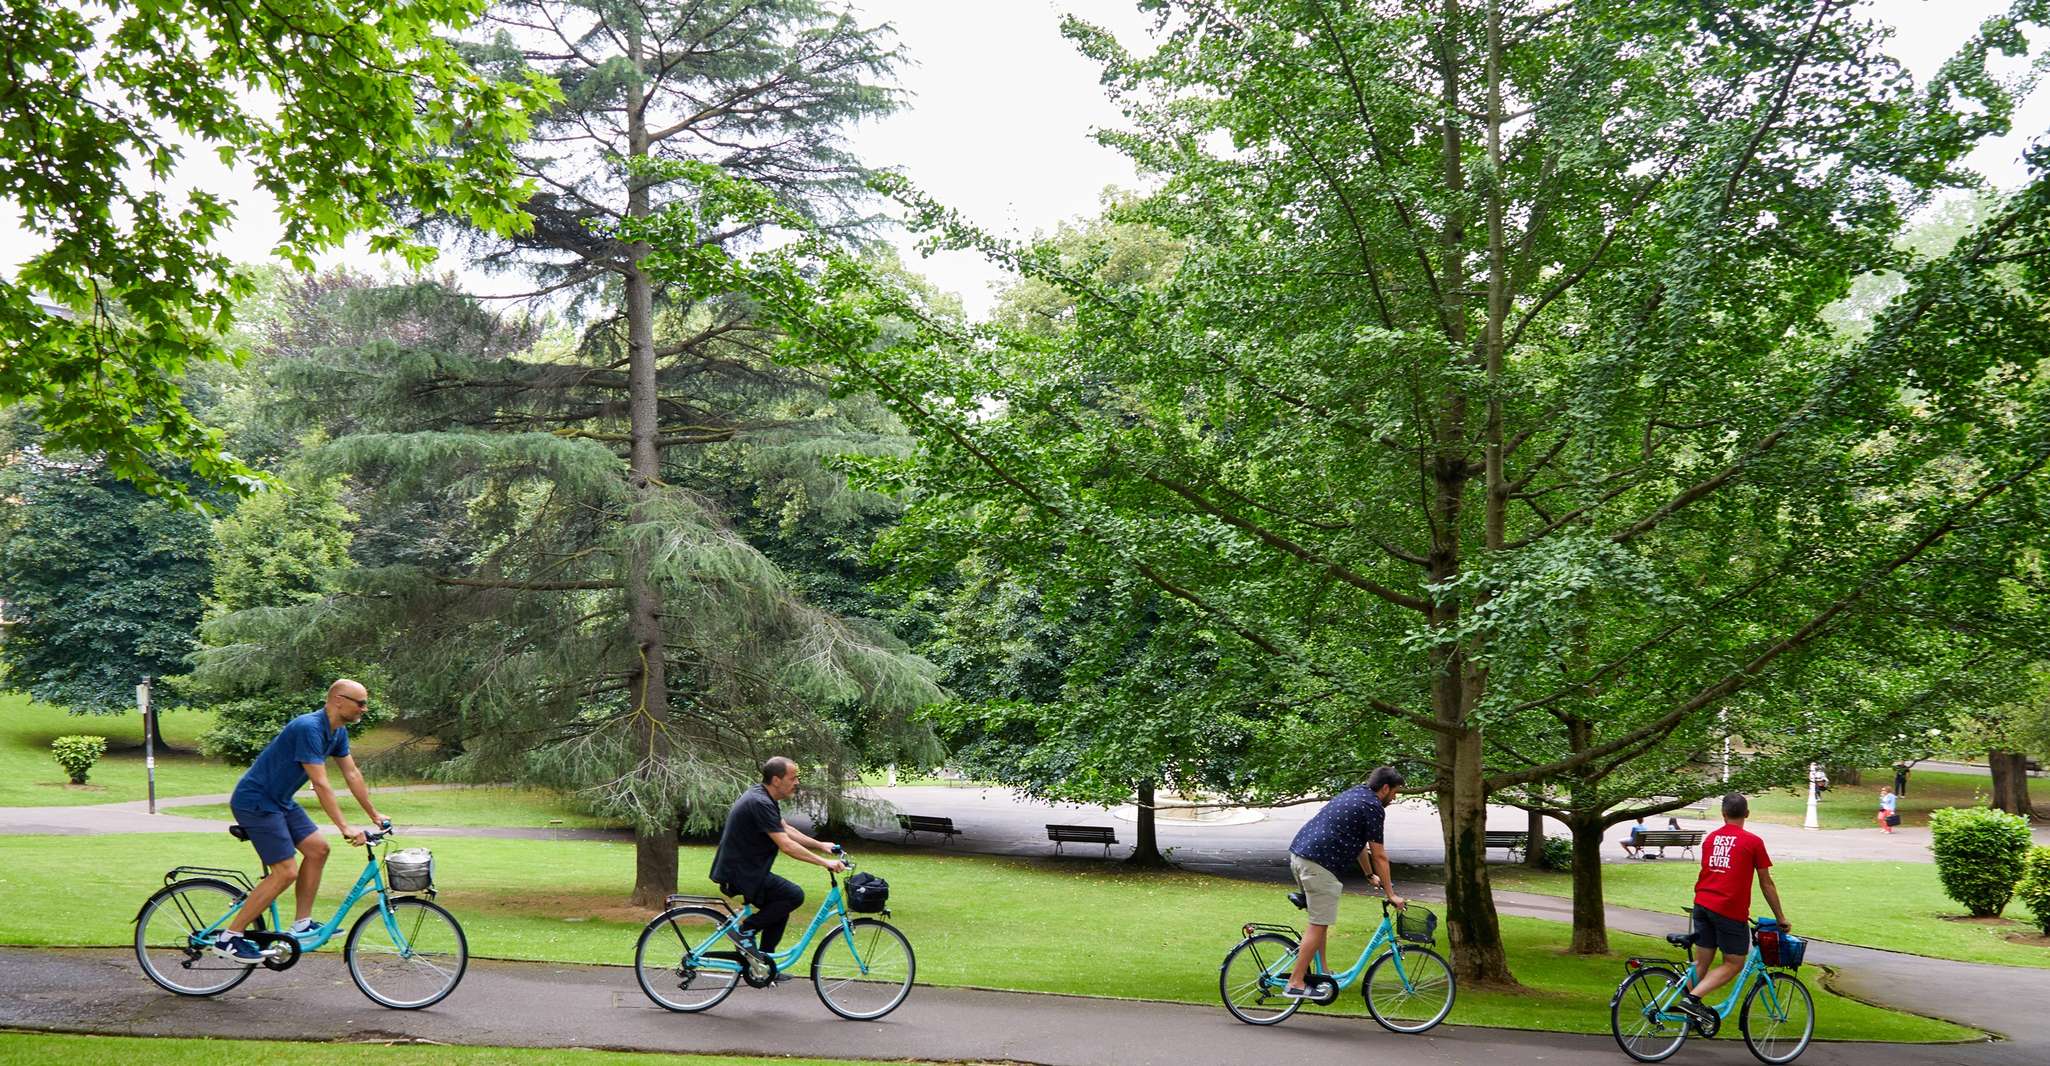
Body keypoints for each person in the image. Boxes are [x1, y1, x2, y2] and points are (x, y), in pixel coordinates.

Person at [213, 679, 384, 961]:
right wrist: (344, 827)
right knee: (286, 871)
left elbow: (352, 774)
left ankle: (301, 922)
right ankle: (229, 937)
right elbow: (321, 782)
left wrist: (374, 815)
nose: (365, 709)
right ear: (339, 700)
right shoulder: (309, 728)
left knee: (318, 849)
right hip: (256, 801)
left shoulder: (337, 732)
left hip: (280, 801)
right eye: (360, 703)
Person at [1280, 766, 1407, 999]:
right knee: (1318, 924)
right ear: (1386, 788)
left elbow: (1357, 841)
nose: (1395, 797)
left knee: (1321, 921)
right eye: (1395, 792)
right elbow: (1379, 854)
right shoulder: (1374, 807)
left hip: (1300, 857)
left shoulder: (1356, 794)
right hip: (1318, 866)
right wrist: (1391, 894)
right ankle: (1296, 982)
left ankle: (1323, 972)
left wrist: (1369, 874)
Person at [709, 757, 845, 960]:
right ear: (776, 780)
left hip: (746, 870)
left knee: (780, 906)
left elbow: (785, 828)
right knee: (793, 895)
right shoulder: (760, 802)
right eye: (793, 778)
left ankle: (764, 964)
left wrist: (820, 845)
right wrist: (825, 863)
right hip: (740, 873)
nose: (797, 782)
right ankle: (746, 930)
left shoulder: (762, 796)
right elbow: (787, 845)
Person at [1675, 793, 1788, 1028]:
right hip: (1728, 909)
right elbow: (1766, 883)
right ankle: (1692, 1000)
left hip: (1702, 904)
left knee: (1701, 962)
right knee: (1734, 962)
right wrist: (1780, 918)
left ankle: (1688, 1013)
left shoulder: (1711, 840)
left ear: (1723, 814)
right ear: (1747, 814)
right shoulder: (1752, 842)